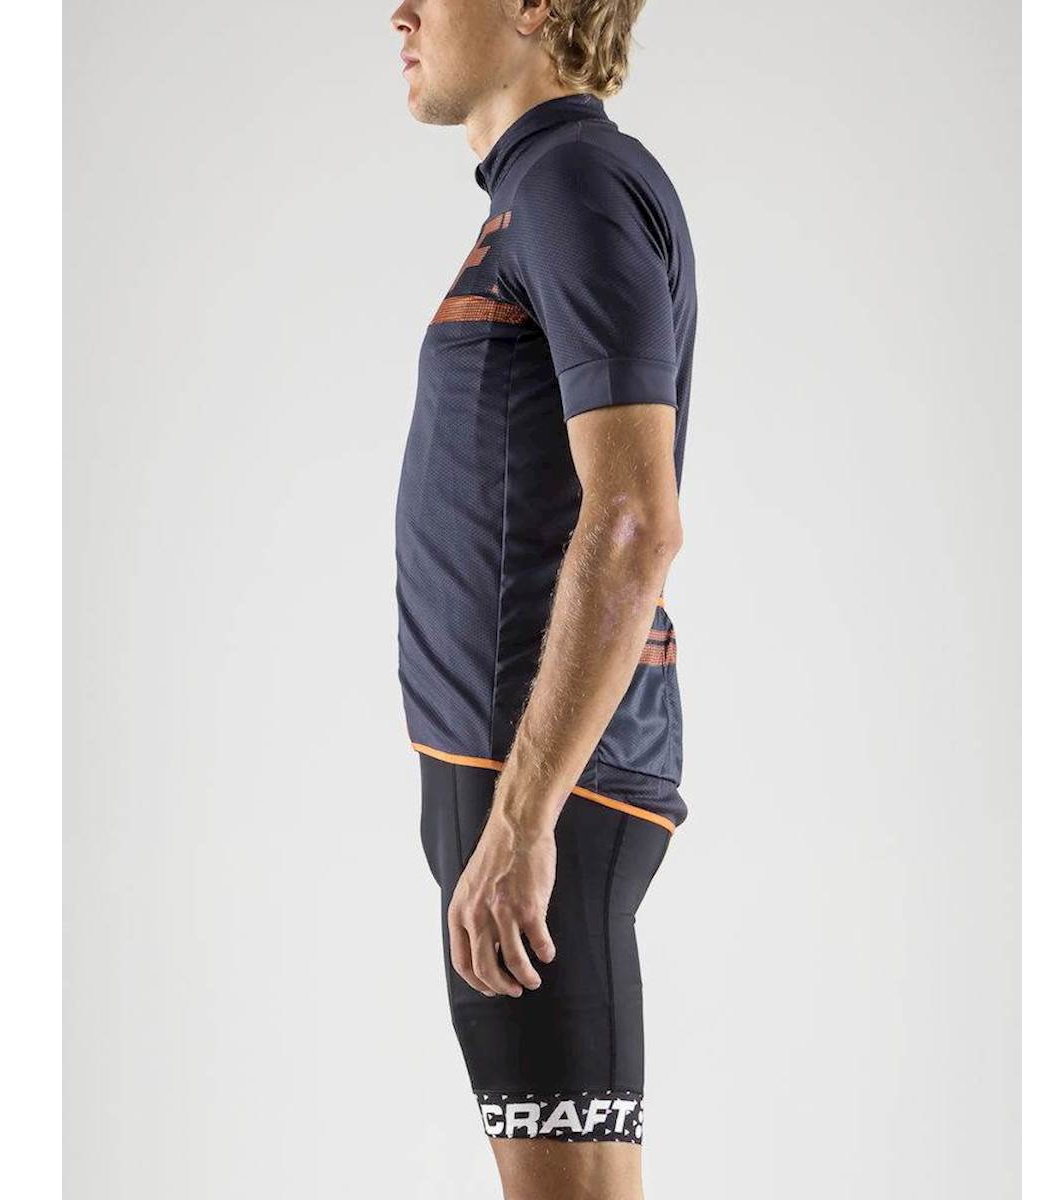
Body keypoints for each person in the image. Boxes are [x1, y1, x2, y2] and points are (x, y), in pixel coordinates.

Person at [390, 1, 696, 1195]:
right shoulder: (539, 195)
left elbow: (634, 521)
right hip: (516, 779)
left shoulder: (572, 184)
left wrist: (521, 821)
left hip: (543, 787)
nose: (401, 12)